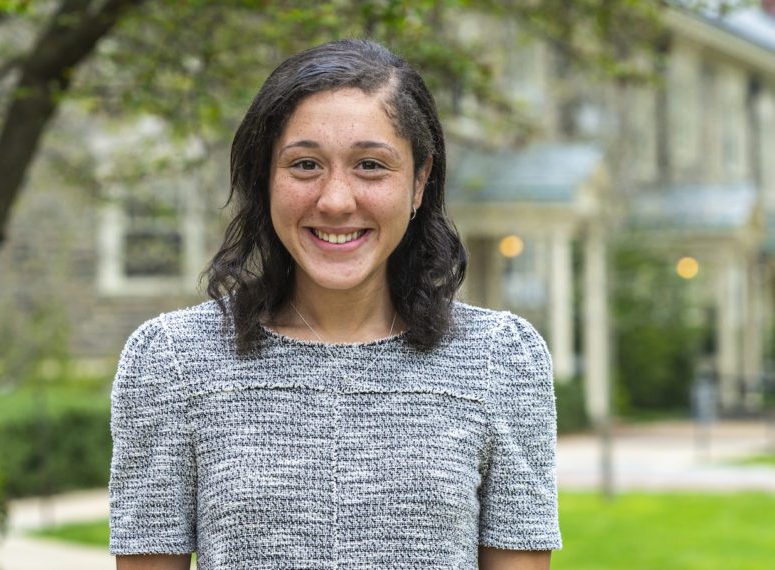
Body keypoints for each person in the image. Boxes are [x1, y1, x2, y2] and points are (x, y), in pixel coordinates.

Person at [109, 39, 561, 570]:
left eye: (370, 165)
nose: (336, 200)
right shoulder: (172, 361)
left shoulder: (501, 359)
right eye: (305, 165)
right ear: (265, 178)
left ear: (419, 182)